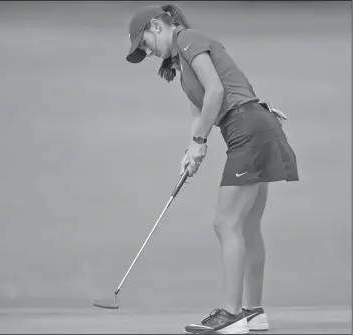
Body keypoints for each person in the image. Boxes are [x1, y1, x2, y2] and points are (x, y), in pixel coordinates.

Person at [125, 4, 299, 334]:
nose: (147, 53)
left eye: (144, 45)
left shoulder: (188, 39)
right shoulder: (181, 63)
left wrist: (200, 140)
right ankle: (253, 312)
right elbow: (202, 111)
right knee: (247, 226)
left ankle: (232, 316)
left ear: (156, 27)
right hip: (255, 126)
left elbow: (217, 92)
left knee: (226, 223)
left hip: (248, 128)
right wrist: (191, 152)